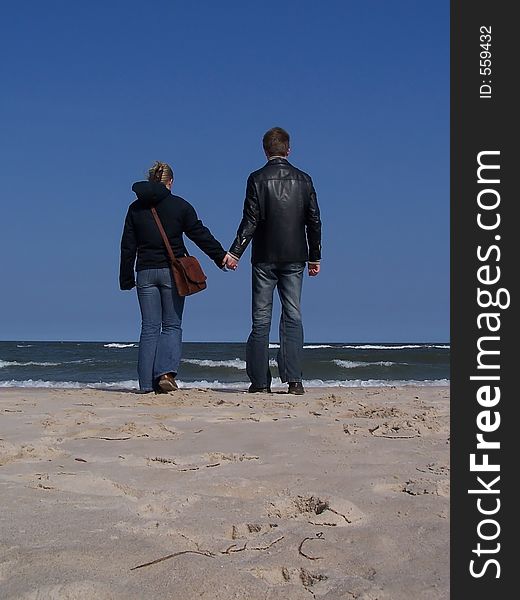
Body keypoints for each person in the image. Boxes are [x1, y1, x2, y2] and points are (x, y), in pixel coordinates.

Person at [223, 127, 322, 395]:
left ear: (265, 150)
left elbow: (250, 220)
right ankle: (295, 381)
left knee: (261, 319)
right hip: (295, 256)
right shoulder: (304, 179)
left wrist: (235, 252)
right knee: (293, 315)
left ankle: (260, 382)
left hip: (264, 257)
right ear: (288, 150)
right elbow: (313, 220)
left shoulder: (256, 178)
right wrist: (315, 256)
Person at [120, 161, 226, 393]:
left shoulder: (135, 208)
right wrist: (220, 257)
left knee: (149, 327)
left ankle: (146, 385)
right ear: (170, 182)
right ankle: (165, 374)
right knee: (171, 325)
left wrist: (125, 277)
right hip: (171, 272)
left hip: (145, 273)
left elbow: (127, 246)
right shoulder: (180, 206)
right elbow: (200, 234)